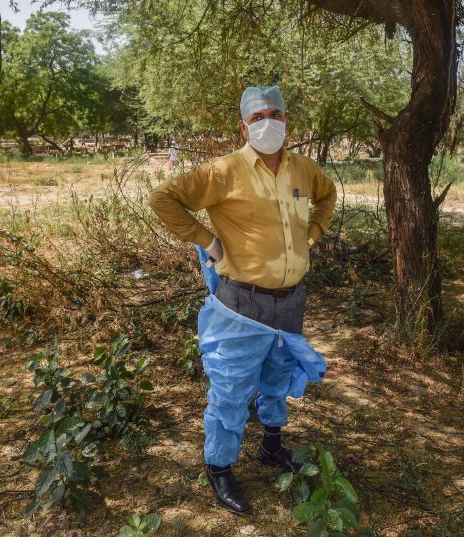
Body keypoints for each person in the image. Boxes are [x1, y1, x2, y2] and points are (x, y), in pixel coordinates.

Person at [149, 86, 337, 515]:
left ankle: (271, 447)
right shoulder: (224, 170)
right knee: (232, 388)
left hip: (290, 301)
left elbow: (327, 197)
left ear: (287, 121)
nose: (267, 123)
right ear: (244, 126)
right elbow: (164, 199)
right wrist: (207, 241)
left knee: (278, 377)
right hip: (240, 304)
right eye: (257, 117)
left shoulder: (305, 170)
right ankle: (219, 467)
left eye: (274, 114)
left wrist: (313, 234)